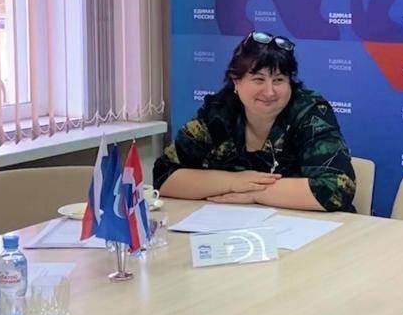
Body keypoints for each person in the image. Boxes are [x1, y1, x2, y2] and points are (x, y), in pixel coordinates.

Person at [153, 32, 356, 212]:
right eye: (259, 80)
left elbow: (338, 188)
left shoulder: (310, 111)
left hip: (310, 230)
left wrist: (255, 194)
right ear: (236, 81)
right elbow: (163, 176)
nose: (269, 92)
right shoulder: (218, 112)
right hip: (234, 228)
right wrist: (233, 182)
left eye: (278, 80)